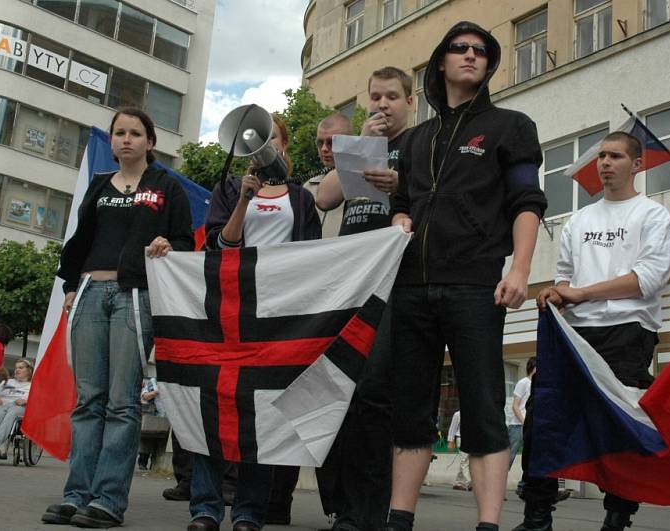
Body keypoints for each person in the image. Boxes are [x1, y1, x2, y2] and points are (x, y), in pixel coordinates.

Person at [388, 21, 547, 531]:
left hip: (476, 283)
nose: (471, 55)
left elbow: (527, 201)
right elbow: (399, 202)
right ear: (440, 61)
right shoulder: (414, 139)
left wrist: (520, 269)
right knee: (411, 406)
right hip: (411, 285)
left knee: (482, 404)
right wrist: (399, 218)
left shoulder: (510, 126)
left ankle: (488, 522)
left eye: (481, 51)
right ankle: (399, 517)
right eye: (460, 48)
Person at [41, 107, 195, 528]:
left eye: (135, 133)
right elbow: (80, 240)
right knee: (88, 399)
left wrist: (168, 243)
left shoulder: (166, 187)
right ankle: (76, 495)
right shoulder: (97, 186)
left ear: (150, 141)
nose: (126, 139)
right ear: (111, 141)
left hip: (135, 294)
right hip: (90, 292)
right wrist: (71, 286)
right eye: (119, 133)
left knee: (122, 402)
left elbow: (185, 238)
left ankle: (108, 501)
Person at [515, 132, 670, 531]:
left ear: (637, 164)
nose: (605, 162)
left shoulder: (653, 216)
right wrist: (555, 294)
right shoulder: (579, 220)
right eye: (601, 156)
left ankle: (618, 517)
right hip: (574, 334)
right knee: (543, 416)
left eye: (615, 156)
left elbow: (648, 280)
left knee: (619, 425)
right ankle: (537, 515)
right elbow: (565, 279)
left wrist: (582, 293)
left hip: (628, 332)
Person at [190, 113, 321, 531]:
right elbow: (221, 244)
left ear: (283, 148)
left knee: (263, 414)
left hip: (277, 315)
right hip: (230, 308)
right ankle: (207, 507)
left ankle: (249, 510)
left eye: (273, 142)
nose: (265, 151)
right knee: (213, 406)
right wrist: (245, 199)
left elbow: (311, 259)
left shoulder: (301, 199)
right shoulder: (229, 190)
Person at [313, 66, 412, 531]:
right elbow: (326, 199)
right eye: (376, 97)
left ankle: (367, 511)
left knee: (373, 394)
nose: (383, 105)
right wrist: (360, 150)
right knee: (341, 394)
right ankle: (342, 503)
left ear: (409, 102)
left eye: (392, 96)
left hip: (390, 284)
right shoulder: (356, 149)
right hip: (348, 283)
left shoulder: (416, 146)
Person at [309, 113, 353, 237]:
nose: (324, 149)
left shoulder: (363, 180)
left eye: (331, 142)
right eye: (320, 143)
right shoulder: (308, 186)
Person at [507, 358, 535, 472]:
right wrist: (525, 422)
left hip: (529, 427)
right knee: (509, 456)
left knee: (529, 456)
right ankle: (494, 482)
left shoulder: (536, 384)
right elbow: (515, 406)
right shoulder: (523, 383)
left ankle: (524, 483)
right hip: (518, 426)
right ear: (532, 368)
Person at [447, 411, 471, 491]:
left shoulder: (476, 412)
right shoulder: (458, 414)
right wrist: (450, 440)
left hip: (472, 439)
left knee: (466, 461)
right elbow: (452, 427)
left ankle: (458, 483)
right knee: (464, 460)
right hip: (461, 438)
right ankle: (470, 483)